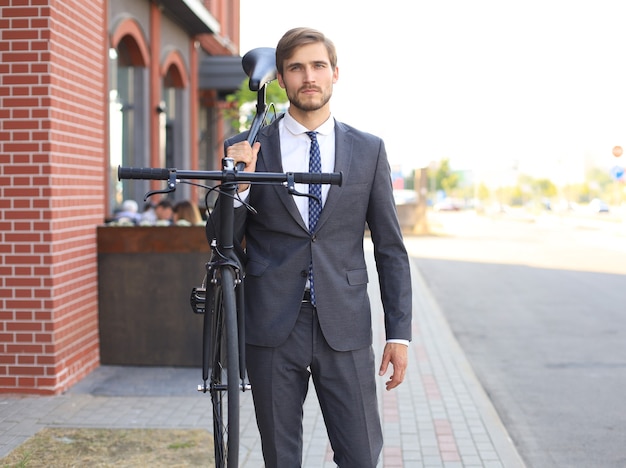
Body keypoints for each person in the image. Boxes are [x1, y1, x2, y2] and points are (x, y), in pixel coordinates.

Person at [206, 27, 412, 467]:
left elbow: (390, 249)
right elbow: (218, 240)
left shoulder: (368, 150)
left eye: (318, 65)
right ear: (281, 78)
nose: (309, 76)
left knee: (360, 456)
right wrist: (239, 185)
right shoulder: (247, 147)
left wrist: (399, 333)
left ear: (335, 74)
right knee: (281, 459)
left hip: (346, 324)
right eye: (296, 68)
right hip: (272, 324)